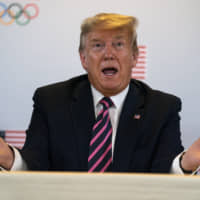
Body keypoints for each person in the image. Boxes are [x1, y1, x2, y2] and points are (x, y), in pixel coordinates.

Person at [0, 13, 200, 173]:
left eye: (119, 44)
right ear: (84, 58)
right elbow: (34, 166)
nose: (109, 54)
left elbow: (166, 170)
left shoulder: (162, 107)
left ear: (134, 57)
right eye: (98, 45)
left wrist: (187, 163)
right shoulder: (51, 101)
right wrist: (7, 157)